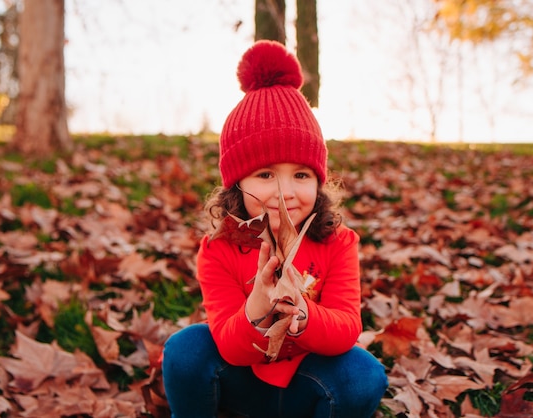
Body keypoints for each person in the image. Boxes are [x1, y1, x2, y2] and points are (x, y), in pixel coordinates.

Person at [161, 40, 388, 418]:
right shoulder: (219, 249)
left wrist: (302, 315)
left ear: (319, 182)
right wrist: (257, 308)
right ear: (237, 184)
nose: (285, 192)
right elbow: (230, 346)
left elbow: (347, 326)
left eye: (300, 174)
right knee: (186, 350)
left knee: (363, 374)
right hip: (240, 380)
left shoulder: (338, 242)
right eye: (266, 175)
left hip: (309, 382)